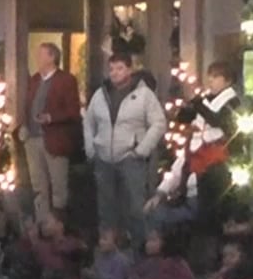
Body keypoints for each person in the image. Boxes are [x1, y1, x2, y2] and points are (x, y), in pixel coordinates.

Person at [149, 61, 238, 269]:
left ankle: (209, 263)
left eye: (215, 77)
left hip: (216, 164)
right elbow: (189, 117)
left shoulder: (232, 102)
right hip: (198, 164)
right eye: (210, 76)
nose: (210, 81)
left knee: (210, 217)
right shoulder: (207, 101)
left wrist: (198, 106)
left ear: (227, 81)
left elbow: (222, 123)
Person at [83, 53, 164, 251]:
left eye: (119, 68)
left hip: (130, 157)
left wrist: (141, 149)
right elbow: (89, 121)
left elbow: (159, 123)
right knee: (106, 206)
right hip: (104, 158)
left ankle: (141, 245)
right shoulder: (100, 95)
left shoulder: (144, 95)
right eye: (111, 69)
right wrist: (91, 148)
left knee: (136, 204)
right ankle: (109, 248)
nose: (114, 73)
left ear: (129, 70)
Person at [21, 42, 82, 226]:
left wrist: (51, 117)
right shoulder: (34, 80)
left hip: (55, 140)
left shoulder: (66, 80)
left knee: (58, 187)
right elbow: (26, 106)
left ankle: (58, 226)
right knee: (38, 186)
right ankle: (42, 225)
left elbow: (73, 111)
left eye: (41, 55)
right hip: (32, 139)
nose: (37, 59)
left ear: (52, 57)